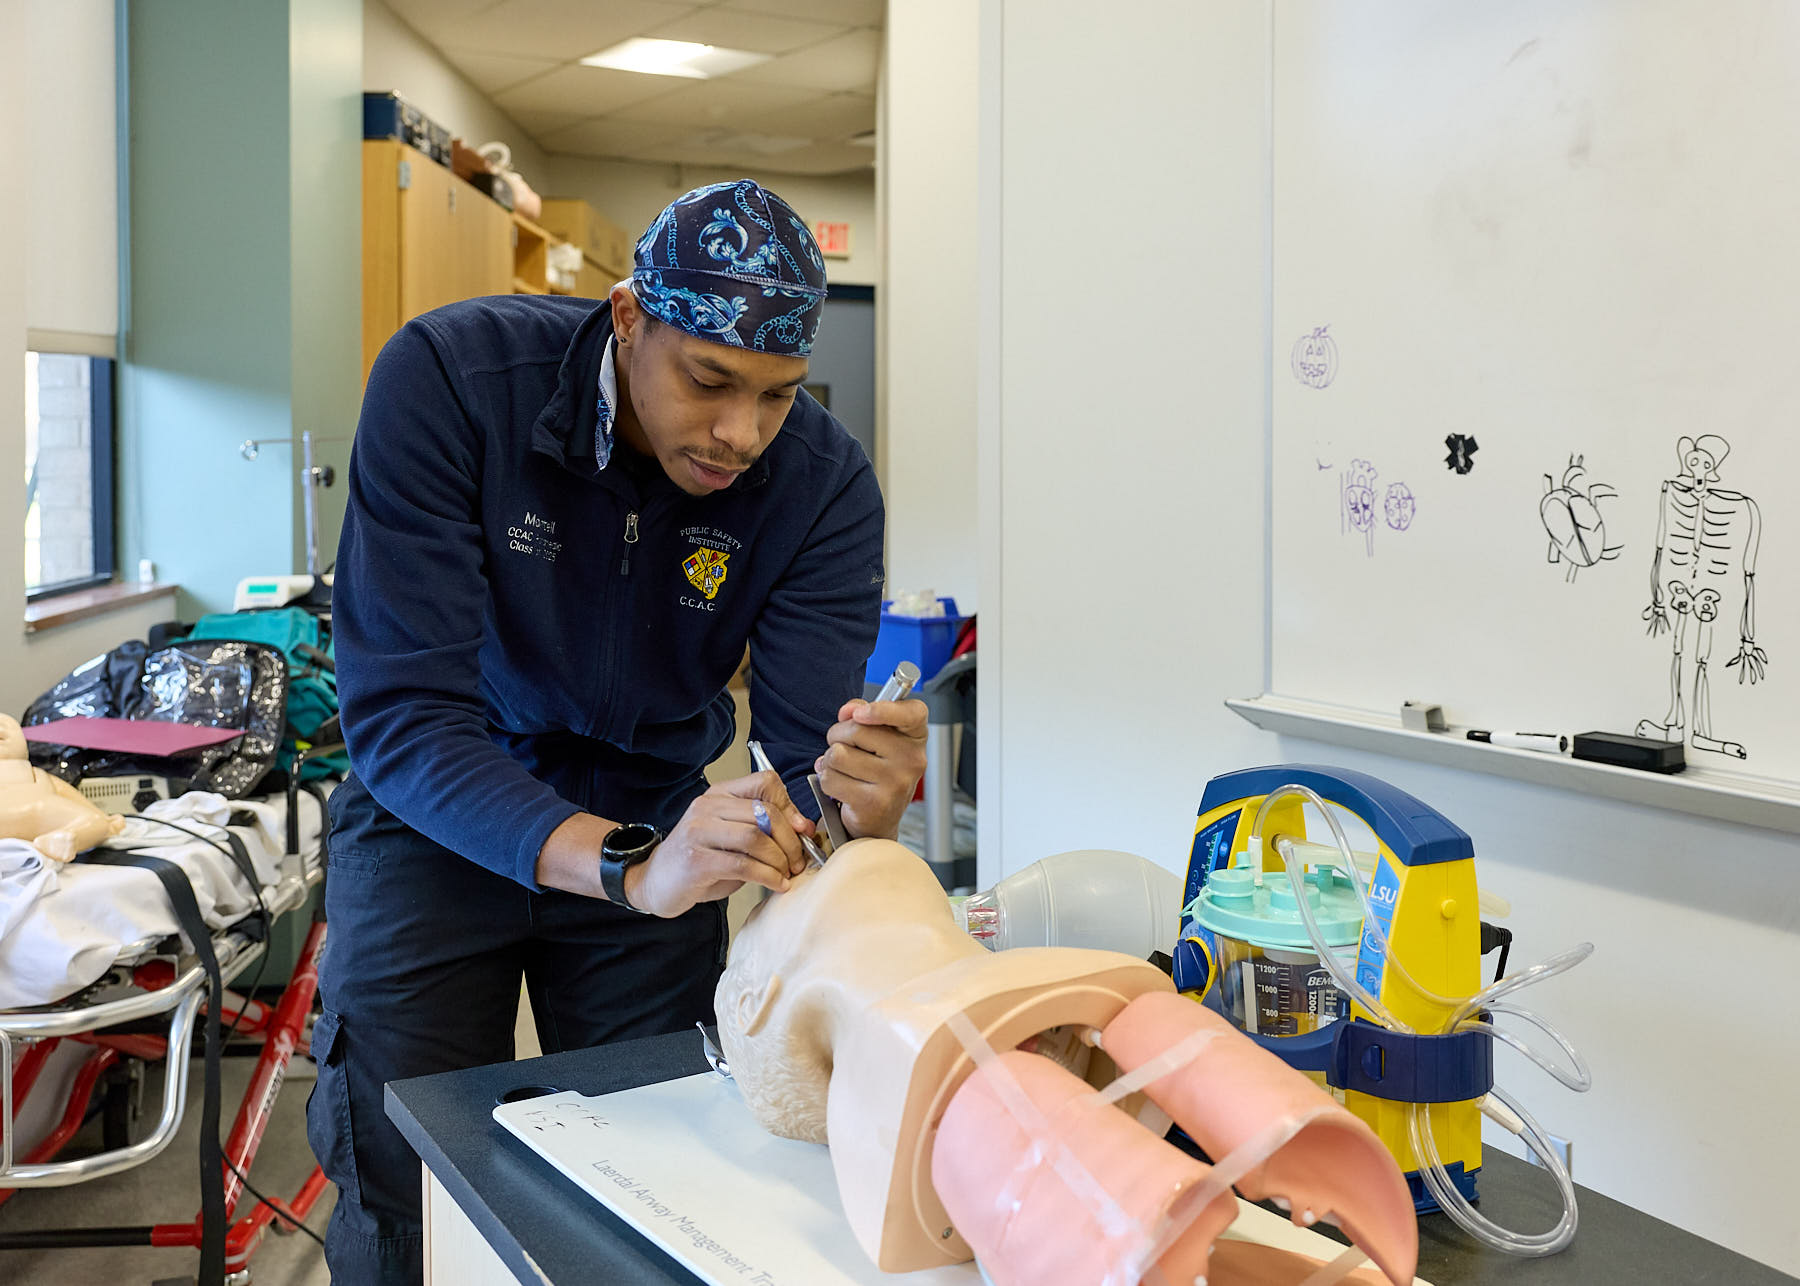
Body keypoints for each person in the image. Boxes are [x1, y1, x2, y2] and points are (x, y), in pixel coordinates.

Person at [307, 179, 926, 1284]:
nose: (741, 433)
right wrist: (628, 865)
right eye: (710, 381)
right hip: (439, 807)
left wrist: (853, 804)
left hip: (658, 808)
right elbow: (403, 714)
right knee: (402, 1169)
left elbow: (802, 769)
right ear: (630, 316)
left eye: (778, 395)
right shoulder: (453, 381)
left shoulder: (824, 487)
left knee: (660, 1157)